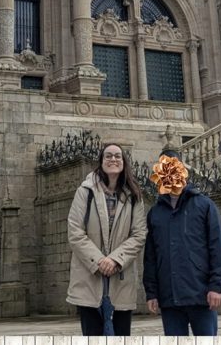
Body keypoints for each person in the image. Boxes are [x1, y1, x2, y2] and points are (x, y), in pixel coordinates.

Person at [66, 142, 147, 335]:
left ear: (124, 162)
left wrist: (115, 260)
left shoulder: (134, 195)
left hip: (120, 277)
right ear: (101, 161)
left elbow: (139, 234)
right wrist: (100, 260)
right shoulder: (85, 192)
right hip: (89, 277)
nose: (113, 159)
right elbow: (75, 232)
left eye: (117, 156)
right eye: (108, 156)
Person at [143, 150, 221, 335]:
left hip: (201, 295)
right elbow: (151, 256)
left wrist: (215, 286)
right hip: (169, 298)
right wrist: (151, 292)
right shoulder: (155, 213)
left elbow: (217, 248)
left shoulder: (204, 205)